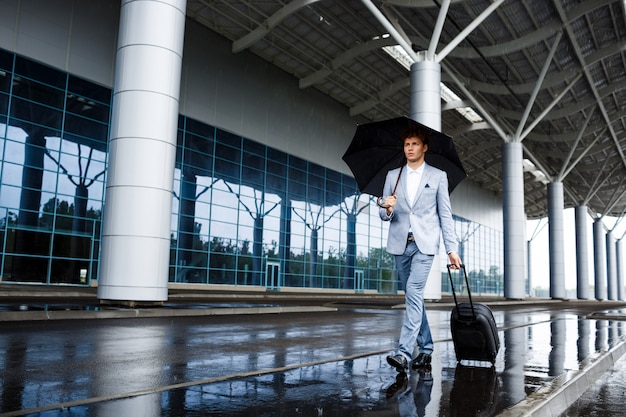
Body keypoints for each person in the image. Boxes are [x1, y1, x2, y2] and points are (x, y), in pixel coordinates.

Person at [379, 125, 462, 373]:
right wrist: (388, 207)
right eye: (407, 145)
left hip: (424, 245)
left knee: (414, 291)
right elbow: (383, 214)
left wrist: (451, 249)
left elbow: (445, 215)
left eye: (415, 144)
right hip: (400, 244)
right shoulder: (392, 176)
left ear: (424, 147)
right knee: (413, 297)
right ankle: (425, 349)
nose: (410, 149)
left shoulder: (438, 176)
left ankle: (404, 352)